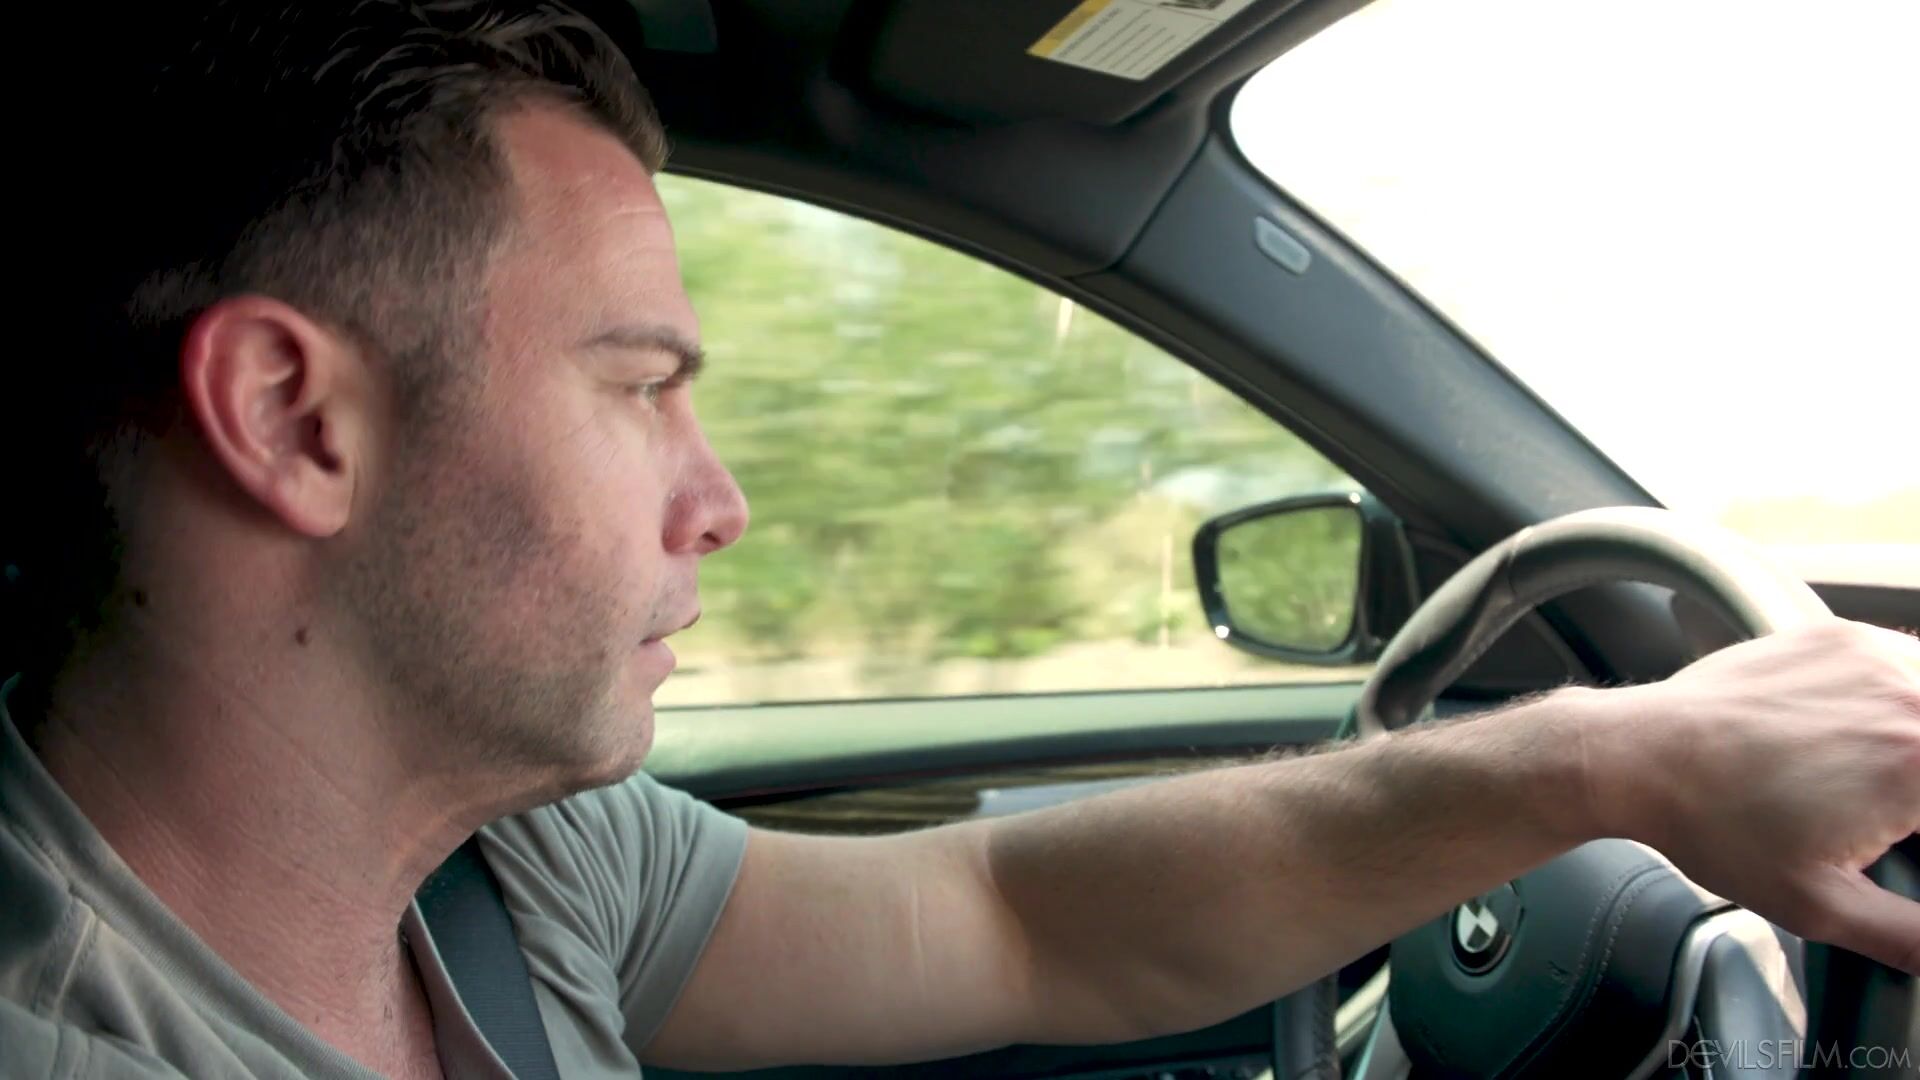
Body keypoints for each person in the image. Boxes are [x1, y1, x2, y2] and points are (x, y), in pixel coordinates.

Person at [1, 3, 1914, 1078]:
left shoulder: (511, 867)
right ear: (296, 421)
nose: (720, 500)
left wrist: (1614, 757)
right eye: (639, 385)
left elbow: (1019, 920)